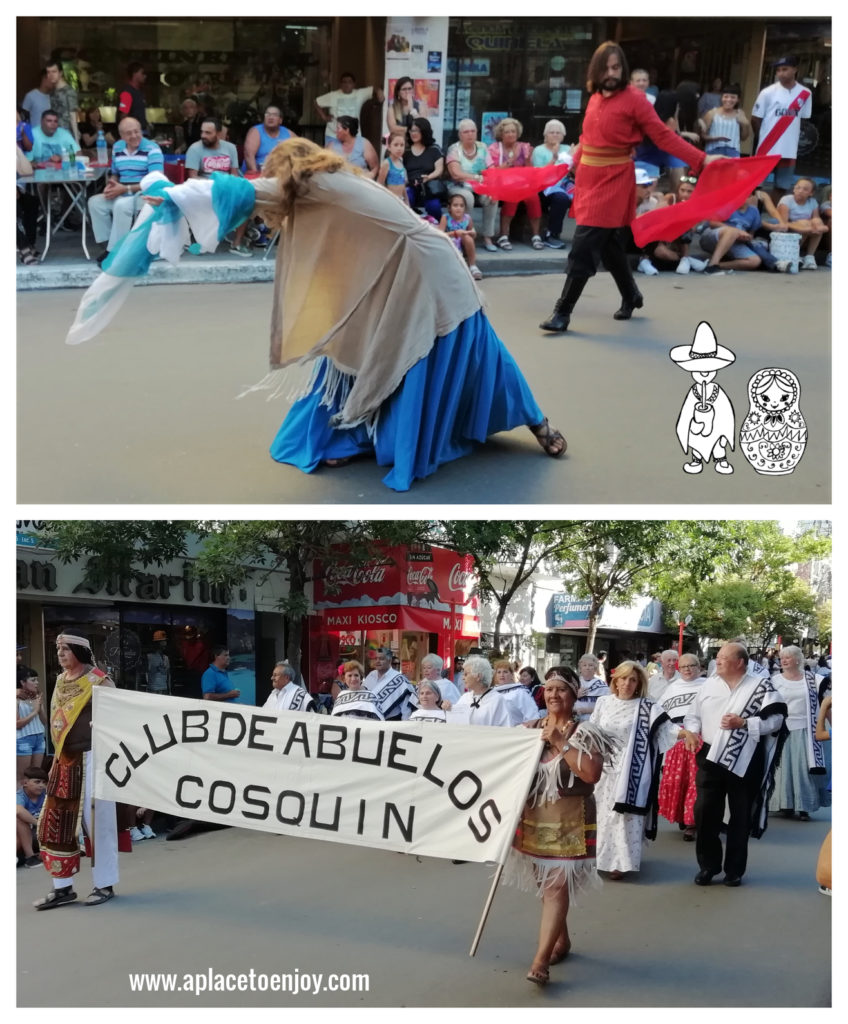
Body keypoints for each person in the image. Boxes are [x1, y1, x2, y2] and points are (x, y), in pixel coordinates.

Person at [67, 138, 567, 488]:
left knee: (453, 354)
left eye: (276, 171)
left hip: (424, 272)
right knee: (469, 354)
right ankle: (535, 424)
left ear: (291, 169)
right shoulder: (335, 184)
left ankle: (526, 423)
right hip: (425, 265)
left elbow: (242, 192)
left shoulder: (315, 186)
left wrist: (168, 193)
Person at [539, 42, 712, 334]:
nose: (610, 73)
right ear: (596, 69)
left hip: (613, 182)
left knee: (583, 247)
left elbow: (663, 136)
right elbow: (588, 137)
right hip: (589, 180)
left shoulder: (636, 100)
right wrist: (569, 163)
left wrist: (701, 159)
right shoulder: (595, 97)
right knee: (609, 248)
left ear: (623, 69)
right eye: (605, 67)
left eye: (616, 67)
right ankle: (631, 294)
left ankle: (562, 312)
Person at [503, 666, 613, 987]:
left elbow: (591, 774)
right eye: (549, 689)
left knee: (554, 888)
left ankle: (540, 961)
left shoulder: (586, 732)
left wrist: (562, 743)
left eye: (561, 690)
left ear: (574, 694)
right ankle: (560, 941)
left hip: (570, 819)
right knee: (547, 888)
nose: (553, 695)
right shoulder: (530, 728)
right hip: (534, 817)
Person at [683, 642, 786, 887]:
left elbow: (777, 720)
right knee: (705, 812)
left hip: (746, 756)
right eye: (717, 657)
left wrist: (745, 723)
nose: (717, 661)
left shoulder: (761, 686)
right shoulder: (707, 685)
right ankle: (708, 867)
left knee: (740, 816)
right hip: (709, 755)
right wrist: (693, 732)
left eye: (723, 658)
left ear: (740, 662)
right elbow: (692, 716)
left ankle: (734, 870)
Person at [34, 633, 122, 908]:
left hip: (93, 756)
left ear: (79, 652)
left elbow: (119, 712)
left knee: (99, 823)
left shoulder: (99, 680)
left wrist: (105, 725)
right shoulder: (61, 680)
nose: (60, 653)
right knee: (57, 821)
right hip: (65, 758)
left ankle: (104, 883)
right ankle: (62, 887)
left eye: (65, 649)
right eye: (58, 648)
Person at [589, 660, 684, 878]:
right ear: (616, 680)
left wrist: (685, 734)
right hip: (604, 768)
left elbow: (667, 729)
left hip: (632, 768)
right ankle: (600, 857)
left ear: (639, 683)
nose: (628, 683)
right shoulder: (604, 702)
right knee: (602, 815)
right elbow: (592, 730)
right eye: (623, 678)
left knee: (624, 818)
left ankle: (620, 862)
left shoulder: (647, 706)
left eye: (633, 679)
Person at [87, 117, 163, 263]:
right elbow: (115, 173)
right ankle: (110, 245)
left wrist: (125, 188)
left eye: (137, 131)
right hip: (122, 191)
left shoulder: (152, 149)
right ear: (121, 136)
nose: (134, 136)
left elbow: (155, 181)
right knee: (95, 202)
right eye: (129, 133)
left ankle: (114, 252)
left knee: (121, 205)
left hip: (146, 195)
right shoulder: (117, 147)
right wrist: (112, 183)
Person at [768, 646, 829, 820]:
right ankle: (785, 804)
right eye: (782, 658)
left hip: (805, 729)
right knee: (782, 769)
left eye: (788, 657)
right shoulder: (775, 680)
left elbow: (826, 704)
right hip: (781, 729)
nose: (784, 660)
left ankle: (804, 806)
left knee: (803, 768)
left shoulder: (813, 679)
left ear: (797, 659)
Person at [657, 653, 705, 841]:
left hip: (699, 739)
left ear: (698, 667)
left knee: (696, 782)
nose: (687, 669)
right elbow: (662, 713)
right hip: (676, 739)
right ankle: (682, 817)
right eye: (683, 666)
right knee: (678, 781)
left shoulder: (707, 685)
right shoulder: (672, 687)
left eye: (691, 665)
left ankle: (692, 822)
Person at [751, 55, 812, 200]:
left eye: (785, 69)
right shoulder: (767, 92)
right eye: (778, 70)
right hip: (767, 146)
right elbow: (755, 119)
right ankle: (756, 215)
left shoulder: (805, 93)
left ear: (795, 70)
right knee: (756, 185)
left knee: (782, 186)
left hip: (789, 148)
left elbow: (803, 119)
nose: (781, 73)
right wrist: (764, 137)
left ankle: (772, 217)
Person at [488, 117, 543, 250]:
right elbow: (492, 171)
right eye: (507, 132)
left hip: (522, 184)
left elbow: (530, 171)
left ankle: (536, 235)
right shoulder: (495, 148)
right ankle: (503, 235)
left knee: (534, 197)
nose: (511, 134)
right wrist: (509, 163)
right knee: (513, 197)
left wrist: (528, 159)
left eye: (513, 131)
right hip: (501, 183)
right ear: (501, 134)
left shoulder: (524, 147)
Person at [445, 119, 499, 252]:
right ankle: (467, 235)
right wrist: (475, 177)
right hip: (459, 186)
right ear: (460, 135)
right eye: (466, 132)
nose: (470, 134)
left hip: (480, 186)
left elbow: (491, 169)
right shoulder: (454, 149)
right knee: (467, 198)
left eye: (473, 131)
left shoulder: (482, 147)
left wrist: (492, 187)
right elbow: (456, 174)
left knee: (492, 198)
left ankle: (487, 236)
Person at [530, 119, 574, 249]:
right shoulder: (539, 150)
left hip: (565, 186)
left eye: (558, 132)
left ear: (563, 135)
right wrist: (554, 158)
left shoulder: (567, 149)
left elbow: (574, 170)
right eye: (552, 132)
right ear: (546, 135)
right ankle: (552, 235)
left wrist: (574, 158)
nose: (555, 135)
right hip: (544, 188)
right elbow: (541, 175)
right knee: (561, 199)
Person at [314, 72, 383, 144]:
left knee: (353, 155)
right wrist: (324, 117)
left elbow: (374, 88)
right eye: (344, 82)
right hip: (334, 136)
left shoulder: (360, 93)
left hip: (353, 136)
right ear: (340, 84)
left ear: (354, 84)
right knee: (333, 155)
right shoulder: (333, 95)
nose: (347, 85)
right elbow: (316, 102)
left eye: (350, 82)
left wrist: (379, 91)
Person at [443, 655, 510, 726]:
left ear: (478, 676)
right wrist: (448, 709)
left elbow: (504, 729)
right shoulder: (465, 697)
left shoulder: (497, 700)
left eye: (466, 674)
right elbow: (455, 723)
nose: (463, 678)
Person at [777, 177, 828, 271]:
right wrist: (804, 228)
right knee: (806, 223)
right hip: (788, 231)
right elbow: (783, 223)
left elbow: (816, 219)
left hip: (807, 231)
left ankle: (809, 256)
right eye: (798, 187)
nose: (800, 191)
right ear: (794, 189)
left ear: (811, 193)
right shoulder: (786, 200)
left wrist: (820, 227)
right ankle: (796, 254)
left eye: (805, 189)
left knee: (816, 221)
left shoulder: (813, 202)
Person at [403, 117, 445, 220]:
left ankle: (437, 229)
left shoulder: (434, 149)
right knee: (407, 197)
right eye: (412, 130)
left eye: (416, 130)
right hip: (410, 186)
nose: (413, 133)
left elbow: (439, 169)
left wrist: (429, 177)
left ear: (424, 131)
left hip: (429, 187)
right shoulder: (405, 150)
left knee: (434, 206)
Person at [699, 83, 751, 158]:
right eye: (726, 96)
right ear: (721, 97)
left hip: (733, 152)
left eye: (733, 97)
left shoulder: (740, 114)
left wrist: (745, 124)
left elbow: (743, 138)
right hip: (713, 151)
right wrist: (716, 138)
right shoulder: (712, 113)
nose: (728, 100)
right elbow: (702, 136)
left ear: (738, 100)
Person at [362, 647, 414, 720]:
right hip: (371, 721)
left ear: (389, 660)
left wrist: (405, 726)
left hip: (391, 723)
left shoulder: (399, 679)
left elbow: (406, 710)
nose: (377, 661)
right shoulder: (371, 675)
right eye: (375, 658)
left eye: (381, 659)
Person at [439, 193, 482, 280]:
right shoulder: (445, 217)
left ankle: (473, 266)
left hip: (464, 245)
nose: (458, 208)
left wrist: (473, 234)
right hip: (450, 244)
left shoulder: (467, 218)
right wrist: (455, 233)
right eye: (455, 205)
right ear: (449, 207)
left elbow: (472, 231)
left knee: (468, 238)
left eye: (461, 206)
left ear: (465, 208)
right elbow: (439, 234)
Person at [17, 670, 47, 786]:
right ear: (22, 682)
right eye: (33, 680)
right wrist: (34, 712)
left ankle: (33, 803)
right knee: (22, 778)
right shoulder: (16, 698)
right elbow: (16, 724)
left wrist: (39, 709)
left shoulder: (37, 696)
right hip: (23, 739)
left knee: (35, 775)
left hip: (39, 737)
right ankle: (18, 803)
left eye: (37, 679)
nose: (37, 683)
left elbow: (44, 721)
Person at [242, 105, 294, 173]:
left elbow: (301, 153)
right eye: (267, 114)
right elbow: (249, 156)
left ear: (280, 120)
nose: (270, 117)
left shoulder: (288, 134)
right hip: (258, 172)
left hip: (281, 174)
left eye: (275, 115)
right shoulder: (255, 131)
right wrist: (257, 176)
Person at [492, 660, 542, 725]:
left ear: (512, 674)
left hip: (514, 732)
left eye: (505, 672)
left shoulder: (520, 692)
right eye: (499, 672)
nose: (502, 675)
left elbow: (532, 716)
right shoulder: (491, 693)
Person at [17, 765, 48, 867]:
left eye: (44, 782)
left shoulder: (45, 794)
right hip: (27, 833)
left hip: (42, 834)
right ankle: (30, 857)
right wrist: (39, 823)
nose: (41, 785)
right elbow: (18, 810)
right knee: (18, 819)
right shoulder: (19, 795)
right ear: (25, 783)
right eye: (37, 782)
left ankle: (36, 856)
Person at [45, 59, 79, 143]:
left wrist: (76, 140)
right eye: (48, 72)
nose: (51, 75)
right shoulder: (52, 92)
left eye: (54, 72)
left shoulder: (69, 91)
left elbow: (73, 115)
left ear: (60, 73)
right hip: (54, 132)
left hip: (66, 132)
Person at [574, 653, 610, 722]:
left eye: (590, 665)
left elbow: (607, 707)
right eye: (584, 665)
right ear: (580, 669)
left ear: (595, 669)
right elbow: (563, 704)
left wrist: (587, 710)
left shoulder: (602, 686)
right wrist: (575, 695)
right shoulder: (574, 683)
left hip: (594, 722)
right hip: (574, 722)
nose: (587, 668)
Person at [377, 128, 409, 203]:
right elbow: (379, 184)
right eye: (396, 145)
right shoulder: (387, 163)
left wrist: (407, 201)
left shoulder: (401, 161)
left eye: (402, 145)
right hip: (390, 201)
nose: (399, 148)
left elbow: (403, 184)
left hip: (401, 201)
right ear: (389, 147)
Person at [117, 62, 149, 134]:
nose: (145, 76)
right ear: (135, 74)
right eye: (142, 73)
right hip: (133, 134)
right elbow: (123, 116)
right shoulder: (127, 93)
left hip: (141, 131)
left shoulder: (140, 92)